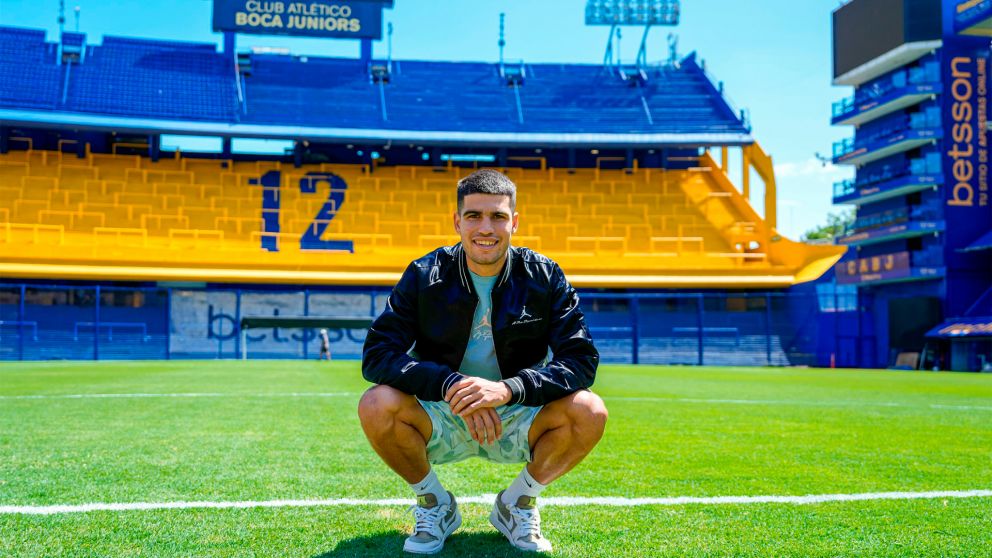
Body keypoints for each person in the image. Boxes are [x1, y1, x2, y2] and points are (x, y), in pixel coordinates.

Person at [359, 169, 607, 554]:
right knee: (376, 404)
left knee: (590, 410)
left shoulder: (544, 275)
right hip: (442, 409)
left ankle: (517, 503)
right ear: (457, 221)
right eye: (474, 216)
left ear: (515, 222)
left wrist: (509, 389)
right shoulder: (424, 275)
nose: (485, 228)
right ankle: (434, 504)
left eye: (498, 216)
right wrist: (452, 385)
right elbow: (377, 355)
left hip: (516, 411)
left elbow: (581, 360)